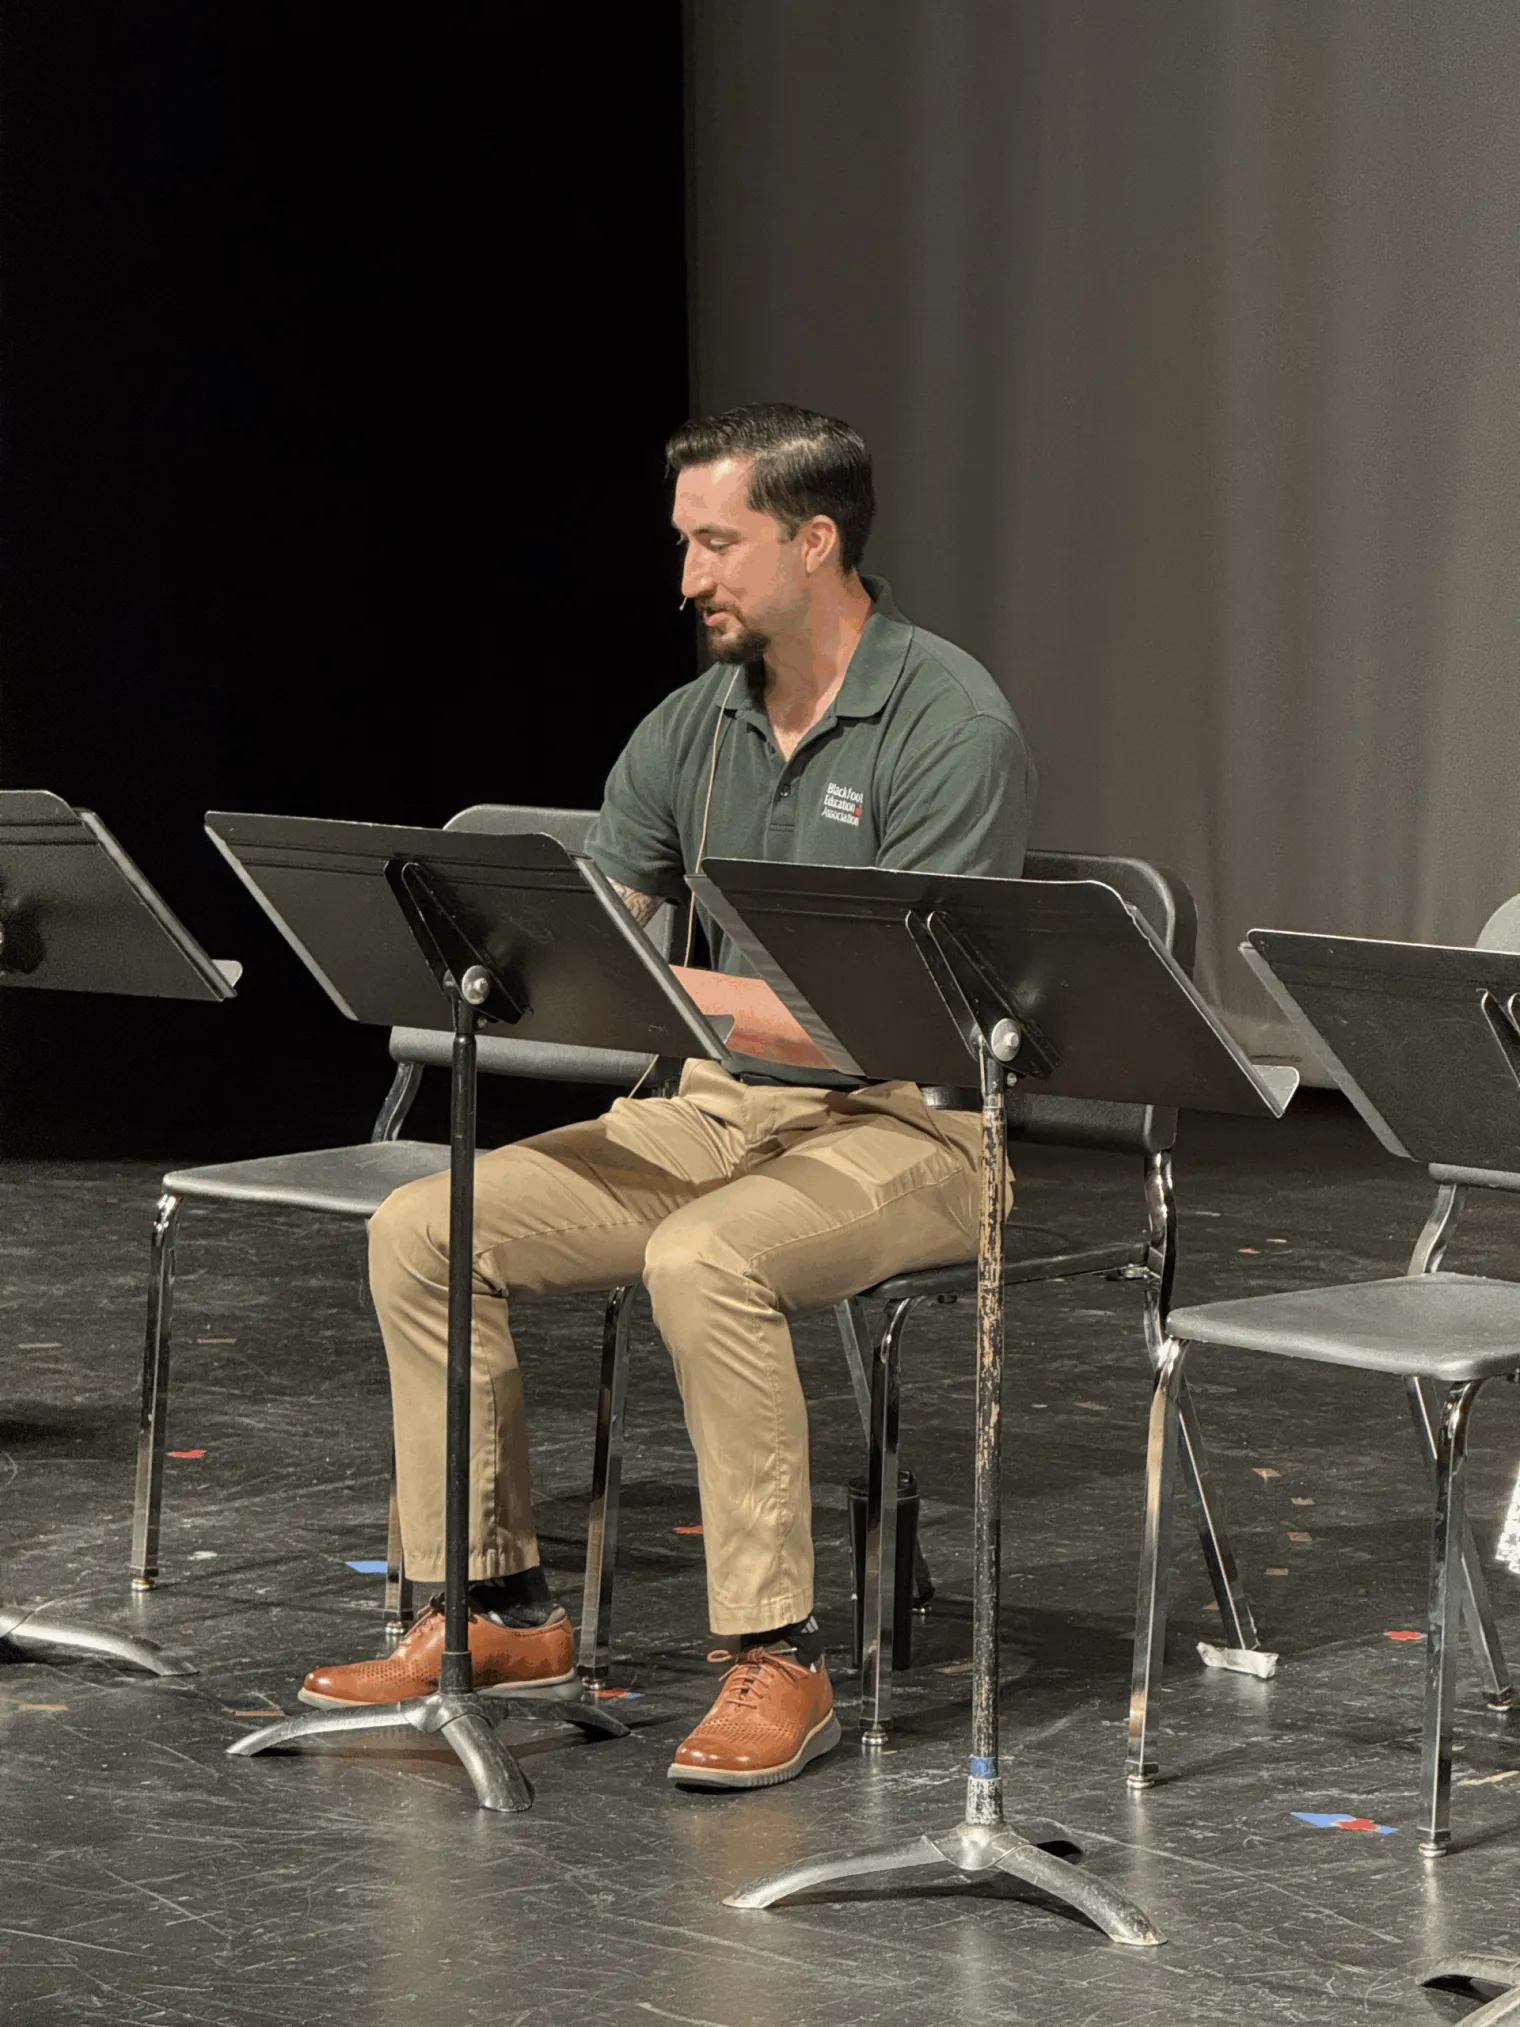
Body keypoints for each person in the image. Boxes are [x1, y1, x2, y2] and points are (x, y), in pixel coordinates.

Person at [299, 403, 1037, 1789]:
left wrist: (677, 998)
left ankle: (781, 1653)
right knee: (425, 1226)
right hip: (713, 1107)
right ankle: (495, 1609)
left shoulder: (949, 724)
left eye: (718, 541)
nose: (688, 575)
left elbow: (890, 1017)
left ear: (815, 542)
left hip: (916, 1122)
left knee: (707, 1255)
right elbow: (612, 933)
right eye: (683, 542)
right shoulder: (689, 728)